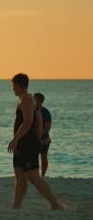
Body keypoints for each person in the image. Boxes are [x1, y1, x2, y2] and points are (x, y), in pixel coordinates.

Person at [8, 74, 64, 210]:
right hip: (22, 144)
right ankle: (16, 206)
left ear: (20, 85)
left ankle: (55, 204)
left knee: (33, 177)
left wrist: (16, 139)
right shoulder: (24, 99)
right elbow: (38, 119)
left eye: (13, 85)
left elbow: (28, 122)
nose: (12, 88)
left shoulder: (27, 99)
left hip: (27, 144)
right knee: (20, 175)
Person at [34, 93, 52, 177]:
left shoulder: (46, 112)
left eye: (35, 100)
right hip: (33, 138)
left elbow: (47, 128)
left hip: (44, 139)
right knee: (32, 157)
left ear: (40, 101)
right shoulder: (31, 111)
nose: (33, 101)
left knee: (44, 157)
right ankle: (34, 175)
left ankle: (43, 175)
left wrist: (39, 135)